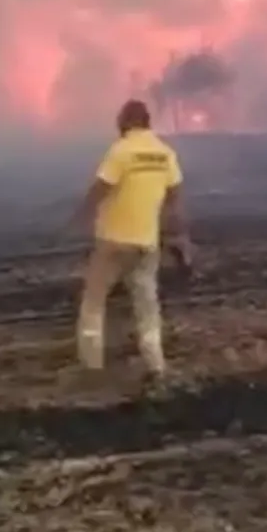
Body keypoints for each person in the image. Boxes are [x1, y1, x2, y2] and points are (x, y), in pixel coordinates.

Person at [74, 99, 190, 384]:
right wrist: (179, 236)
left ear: (125, 122)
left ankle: (91, 367)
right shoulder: (165, 154)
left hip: (113, 242)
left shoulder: (121, 151)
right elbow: (175, 198)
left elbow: (101, 188)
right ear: (148, 122)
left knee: (93, 304)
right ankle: (156, 365)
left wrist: (78, 218)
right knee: (147, 307)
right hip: (146, 244)